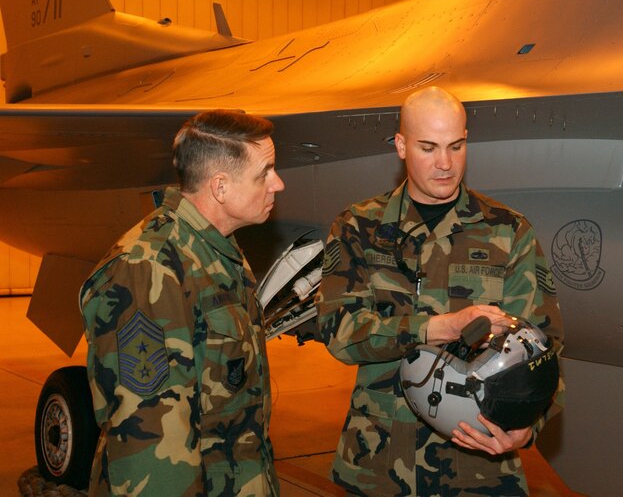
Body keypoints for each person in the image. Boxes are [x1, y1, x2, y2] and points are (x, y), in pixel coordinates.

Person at [316, 86, 564, 496]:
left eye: (457, 146)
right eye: (428, 148)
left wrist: (526, 428)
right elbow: (337, 332)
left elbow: (545, 344)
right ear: (400, 145)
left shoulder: (507, 230)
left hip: (478, 468)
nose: (445, 164)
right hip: (377, 465)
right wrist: (436, 328)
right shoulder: (358, 227)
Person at [79, 109, 285, 496]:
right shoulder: (149, 271)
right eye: (265, 173)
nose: (278, 183)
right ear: (220, 187)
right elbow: (150, 443)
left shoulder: (216, 250)